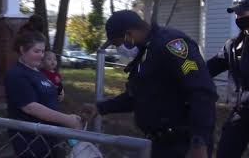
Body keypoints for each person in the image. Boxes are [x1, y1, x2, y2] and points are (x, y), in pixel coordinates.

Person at [82, 10, 218, 158]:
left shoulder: (172, 45)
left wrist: (199, 142)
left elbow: (202, 91)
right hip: (159, 143)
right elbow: (138, 96)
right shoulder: (145, 52)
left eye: (117, 43)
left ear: (129, 35)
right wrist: (100, 108)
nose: (118, 49)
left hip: (183, 144)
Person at [207, 0, 249, 158]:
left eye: (242, 13)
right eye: (236, 13)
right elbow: (208, 68)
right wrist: (184, 68)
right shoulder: (233, 45)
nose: (238, 17)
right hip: (238, 114)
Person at [5, 31, 82, 157]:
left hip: (50, 136)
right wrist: (67, 119)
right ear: (23, 50)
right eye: (36, 51)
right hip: (31, 140)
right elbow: (31, 107)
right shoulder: (16, 74)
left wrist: (57, 92)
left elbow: (46, 93)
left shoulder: (38, 71)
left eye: (42, 51)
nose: (41, 55)